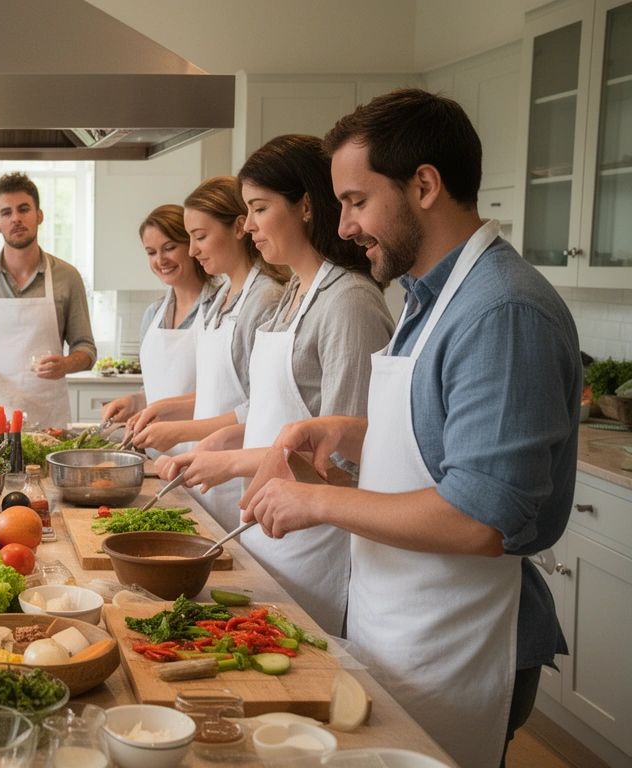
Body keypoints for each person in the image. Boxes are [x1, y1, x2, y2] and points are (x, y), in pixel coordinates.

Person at [245, 89, 579, 767]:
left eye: (357, 201)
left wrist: (313, 499)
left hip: (457, 646)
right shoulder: (431, 298)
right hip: (399, 628)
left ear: (424, 184)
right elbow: (440, 446)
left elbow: (478, 520)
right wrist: (349, 431)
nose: (342, 227)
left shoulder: (501, 312)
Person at [161, 135, 394, 634]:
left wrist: (228, 462)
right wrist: (231, 436)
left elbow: (341, 463)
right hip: (269, 528)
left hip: (316, 545)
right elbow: (280, 414)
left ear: (306, 206)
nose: (246, 225)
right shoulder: (293, 292)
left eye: (259, 208)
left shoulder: (348, 302)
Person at [131, 177, 287, 527]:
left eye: (198, 237)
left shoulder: (266, 299)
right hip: (206, 475)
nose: (191, 250)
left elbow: (257, 407)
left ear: (238, 228)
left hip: (236, 475)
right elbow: (218, 392)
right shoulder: (222, 298)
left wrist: (181, 431)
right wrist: (160, 408)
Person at [0, 172, 97, 430]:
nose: (16, 218)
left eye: (23, 209)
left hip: (49, 418)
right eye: (6, 212)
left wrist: (65, 364)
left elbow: (86, 349)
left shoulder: (67, 277)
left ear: (39, 216)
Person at [101, 205, 221, 455]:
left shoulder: (220, 309)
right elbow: (159, 387)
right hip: (158, 458)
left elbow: (227, 393)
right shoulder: (153, 315)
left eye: (169, 248)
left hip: (207, 455)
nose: (160, 260)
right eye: (151, 252)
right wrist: (135, 401)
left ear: (191, 246)